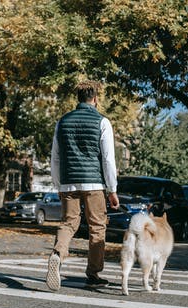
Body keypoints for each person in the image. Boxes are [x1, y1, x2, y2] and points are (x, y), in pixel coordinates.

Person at [46, 80, 119, 291]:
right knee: (97, 227)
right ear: (95, 98)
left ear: (77, 98)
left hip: (69, 182)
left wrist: (59, 185)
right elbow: (108, 159)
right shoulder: (102, 122)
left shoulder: (63, 121)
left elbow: (55, 157)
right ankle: (93, 274)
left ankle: (57, 254)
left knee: (68, 223)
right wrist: (112, 189)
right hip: (94, 183)